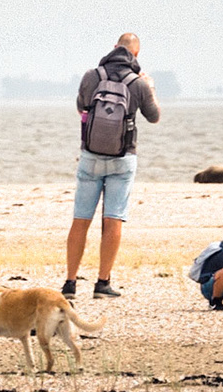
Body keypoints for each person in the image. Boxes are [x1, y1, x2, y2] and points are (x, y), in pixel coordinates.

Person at [64, 32, 161, 299]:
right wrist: (149, 88)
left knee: (81, 219)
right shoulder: (138, 83)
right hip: (122, 158)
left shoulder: (92, 75)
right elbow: (153, 117)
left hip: (90, 156)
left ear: (114, 48)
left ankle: (70, 283)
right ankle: (102, 283)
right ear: (136, 55)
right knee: (113, 218)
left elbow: (80, 108)